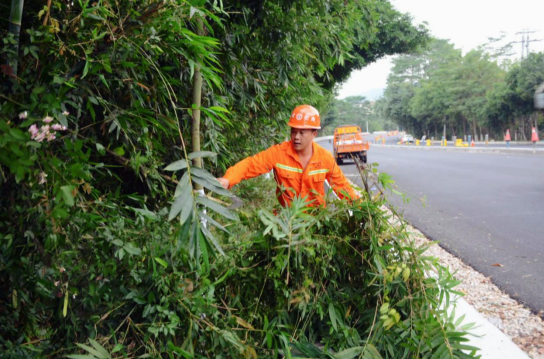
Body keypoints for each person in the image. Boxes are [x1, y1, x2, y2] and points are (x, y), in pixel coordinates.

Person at [216, 105, 360, 207]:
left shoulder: (325, 158)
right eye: (293, 131)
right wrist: (228, 179)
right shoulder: (278, 153)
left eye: (302, 133)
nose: (296, 137)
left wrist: (364, 210)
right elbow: (250, 165)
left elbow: (343, 188)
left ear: (313, 134)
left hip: (317, 224)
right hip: (286, 224)